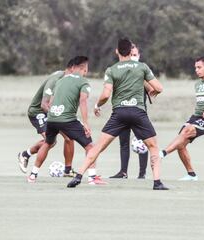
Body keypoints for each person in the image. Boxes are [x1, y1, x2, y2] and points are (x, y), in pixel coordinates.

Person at [67, 38, 168, 190]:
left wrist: (97, 105)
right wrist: (153, 91)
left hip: (119, 114)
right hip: (138, 112)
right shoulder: (142, 67)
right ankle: (157, 182)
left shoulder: (111, 70)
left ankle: (79, 175)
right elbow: (159, 88)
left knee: (98, 146)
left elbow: (106, 95)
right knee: (153, 146)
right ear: (130, 51)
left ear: (117, 51)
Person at [27, 56, 106, 185]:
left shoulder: (60, 81)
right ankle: (92, 177)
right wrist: (85, 123)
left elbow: (51, 101)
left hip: (51, 118)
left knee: (47, 143)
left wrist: (55, 114)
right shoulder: (84, 82)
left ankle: (32, 175)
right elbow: (83, 101)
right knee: (90, 145)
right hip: (67, 119)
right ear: (84, 69)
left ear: (72, 68)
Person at [159, 56, 204, 181]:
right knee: (180, 144)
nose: (197, 70)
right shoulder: (197, 84)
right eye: (195, 68)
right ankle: (191, 174)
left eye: (199, 67)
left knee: (187, 131)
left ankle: (162, 153)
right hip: (195, 116)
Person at [18, 59, 76, 177]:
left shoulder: (67, 81)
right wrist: (58, 119)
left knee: (70, 137)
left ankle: (68, 170)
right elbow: (44, 105)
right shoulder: (55, 80)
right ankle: (25, 155)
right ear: (71, 69)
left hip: (52, 113)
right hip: (38, 112)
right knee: (51, 141)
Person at [109, 45, 149, 179]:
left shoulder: (141, 70)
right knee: (123, 142)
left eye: (135, 55)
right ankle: (123, 172)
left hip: (138, 111)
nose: (133, 57)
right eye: (131, 54)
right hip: (122, 109)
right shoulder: (120, 71)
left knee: (143, 141)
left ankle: (142, 173)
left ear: (139, 56)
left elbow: (153, 88)